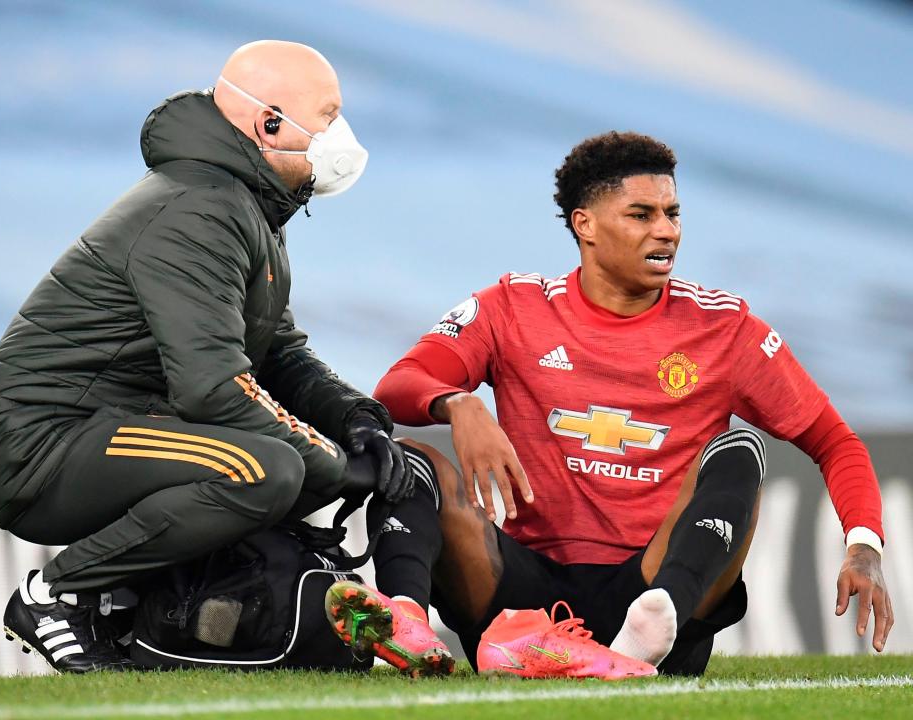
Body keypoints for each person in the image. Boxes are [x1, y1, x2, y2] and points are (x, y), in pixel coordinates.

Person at [0, 40, 450, 675]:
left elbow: (281, 353)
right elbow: (213, 387)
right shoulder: (199, 208)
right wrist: (334, 465)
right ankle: (58, 594)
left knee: (360, 462)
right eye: (329, 116)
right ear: (268, 123)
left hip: (109, 430)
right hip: (40, 444)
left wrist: (357, 421)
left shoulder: (243, 206)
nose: (341, 135)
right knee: (264, 470)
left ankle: (137, 609)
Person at [358, 131, 892, 676]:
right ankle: (406, 623)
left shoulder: (724, 326)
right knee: (412, 460)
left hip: (650, 584)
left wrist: (864, 545)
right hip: (520, 598)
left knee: (740, 451)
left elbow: (835, 441)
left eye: (673, 213)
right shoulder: (512, 307)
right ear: (584, 224)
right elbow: (398, 384)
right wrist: (457, 404)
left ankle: (647, 633)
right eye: (641, 214)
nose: (666, 231)